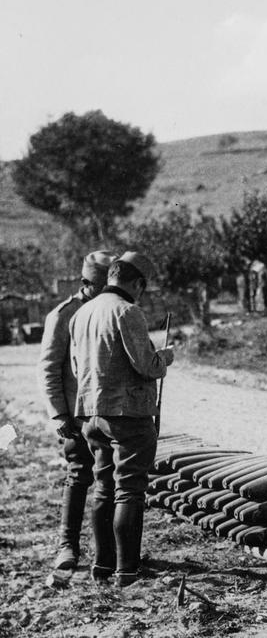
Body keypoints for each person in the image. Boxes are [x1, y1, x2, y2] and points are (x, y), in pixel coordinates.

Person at [70, 251, 174, 586]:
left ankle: (103, 566)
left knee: (103, 488)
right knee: (129, 490)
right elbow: (146, 366)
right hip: (128, 416)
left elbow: (76, 369)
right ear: (138, 283)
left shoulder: (82, 313)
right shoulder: (128, 311)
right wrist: (164, 357)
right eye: (143, 288)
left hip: (91, 416)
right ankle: (127, 572)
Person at [37, 250, 116, 570]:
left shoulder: (113, 310)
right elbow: (48, 369)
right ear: (86, 283)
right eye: (102, 286)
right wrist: (59, 414)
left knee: (110, 481)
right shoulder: (63, 315)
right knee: (79, 475)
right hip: (76, 415)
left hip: (108, 414)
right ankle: (67, 546)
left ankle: (108, 552)